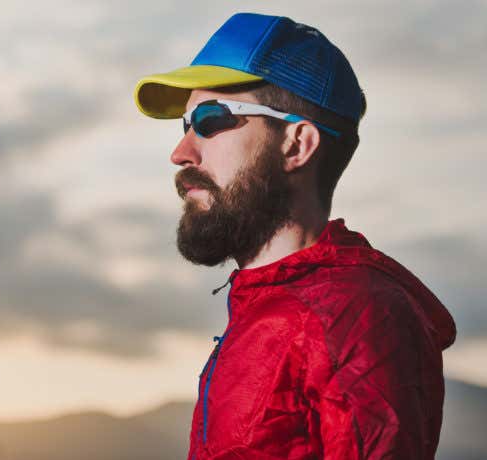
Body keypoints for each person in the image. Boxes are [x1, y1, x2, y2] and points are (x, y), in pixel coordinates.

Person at [133, 12, 456, 460]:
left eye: (210, 120)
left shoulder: (358, 316)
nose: (181, 152)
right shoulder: (265, 303)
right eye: (184, 126)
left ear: (297, 144)